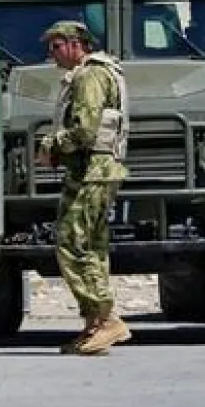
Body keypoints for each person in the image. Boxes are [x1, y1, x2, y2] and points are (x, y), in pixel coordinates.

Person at [35, 20, 132, 355]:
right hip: (95, 171)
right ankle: (95, 322)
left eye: (56, 46)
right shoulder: (99, 71)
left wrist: (50, 145)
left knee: (72, 241)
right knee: (92, 243)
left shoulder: (90, 75)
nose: (52, 55)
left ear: (76, 44)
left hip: (94, 171)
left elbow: (85, 131)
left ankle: (105, 319)